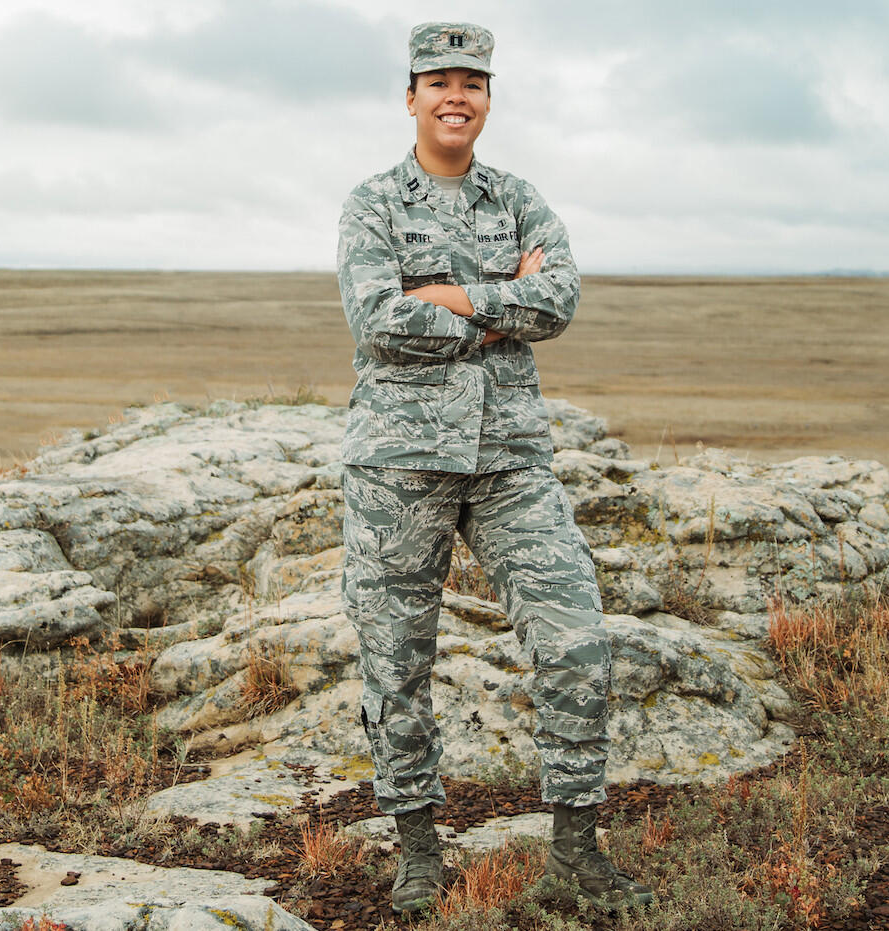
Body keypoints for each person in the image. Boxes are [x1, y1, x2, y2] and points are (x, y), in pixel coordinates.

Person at [336, 22, 654, 915]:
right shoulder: (371, 205)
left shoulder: (518, 199)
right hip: (399, 463)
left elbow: (560, 299)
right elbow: (377, 320)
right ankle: (418, 850)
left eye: (472, 82)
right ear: (410, 96)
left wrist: (446, 296)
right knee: (397, 660)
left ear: (487, 98)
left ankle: (576, 853)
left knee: (576, 638)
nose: (456, 96)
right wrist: (501, 304)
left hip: (509, 459)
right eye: (438, 81)